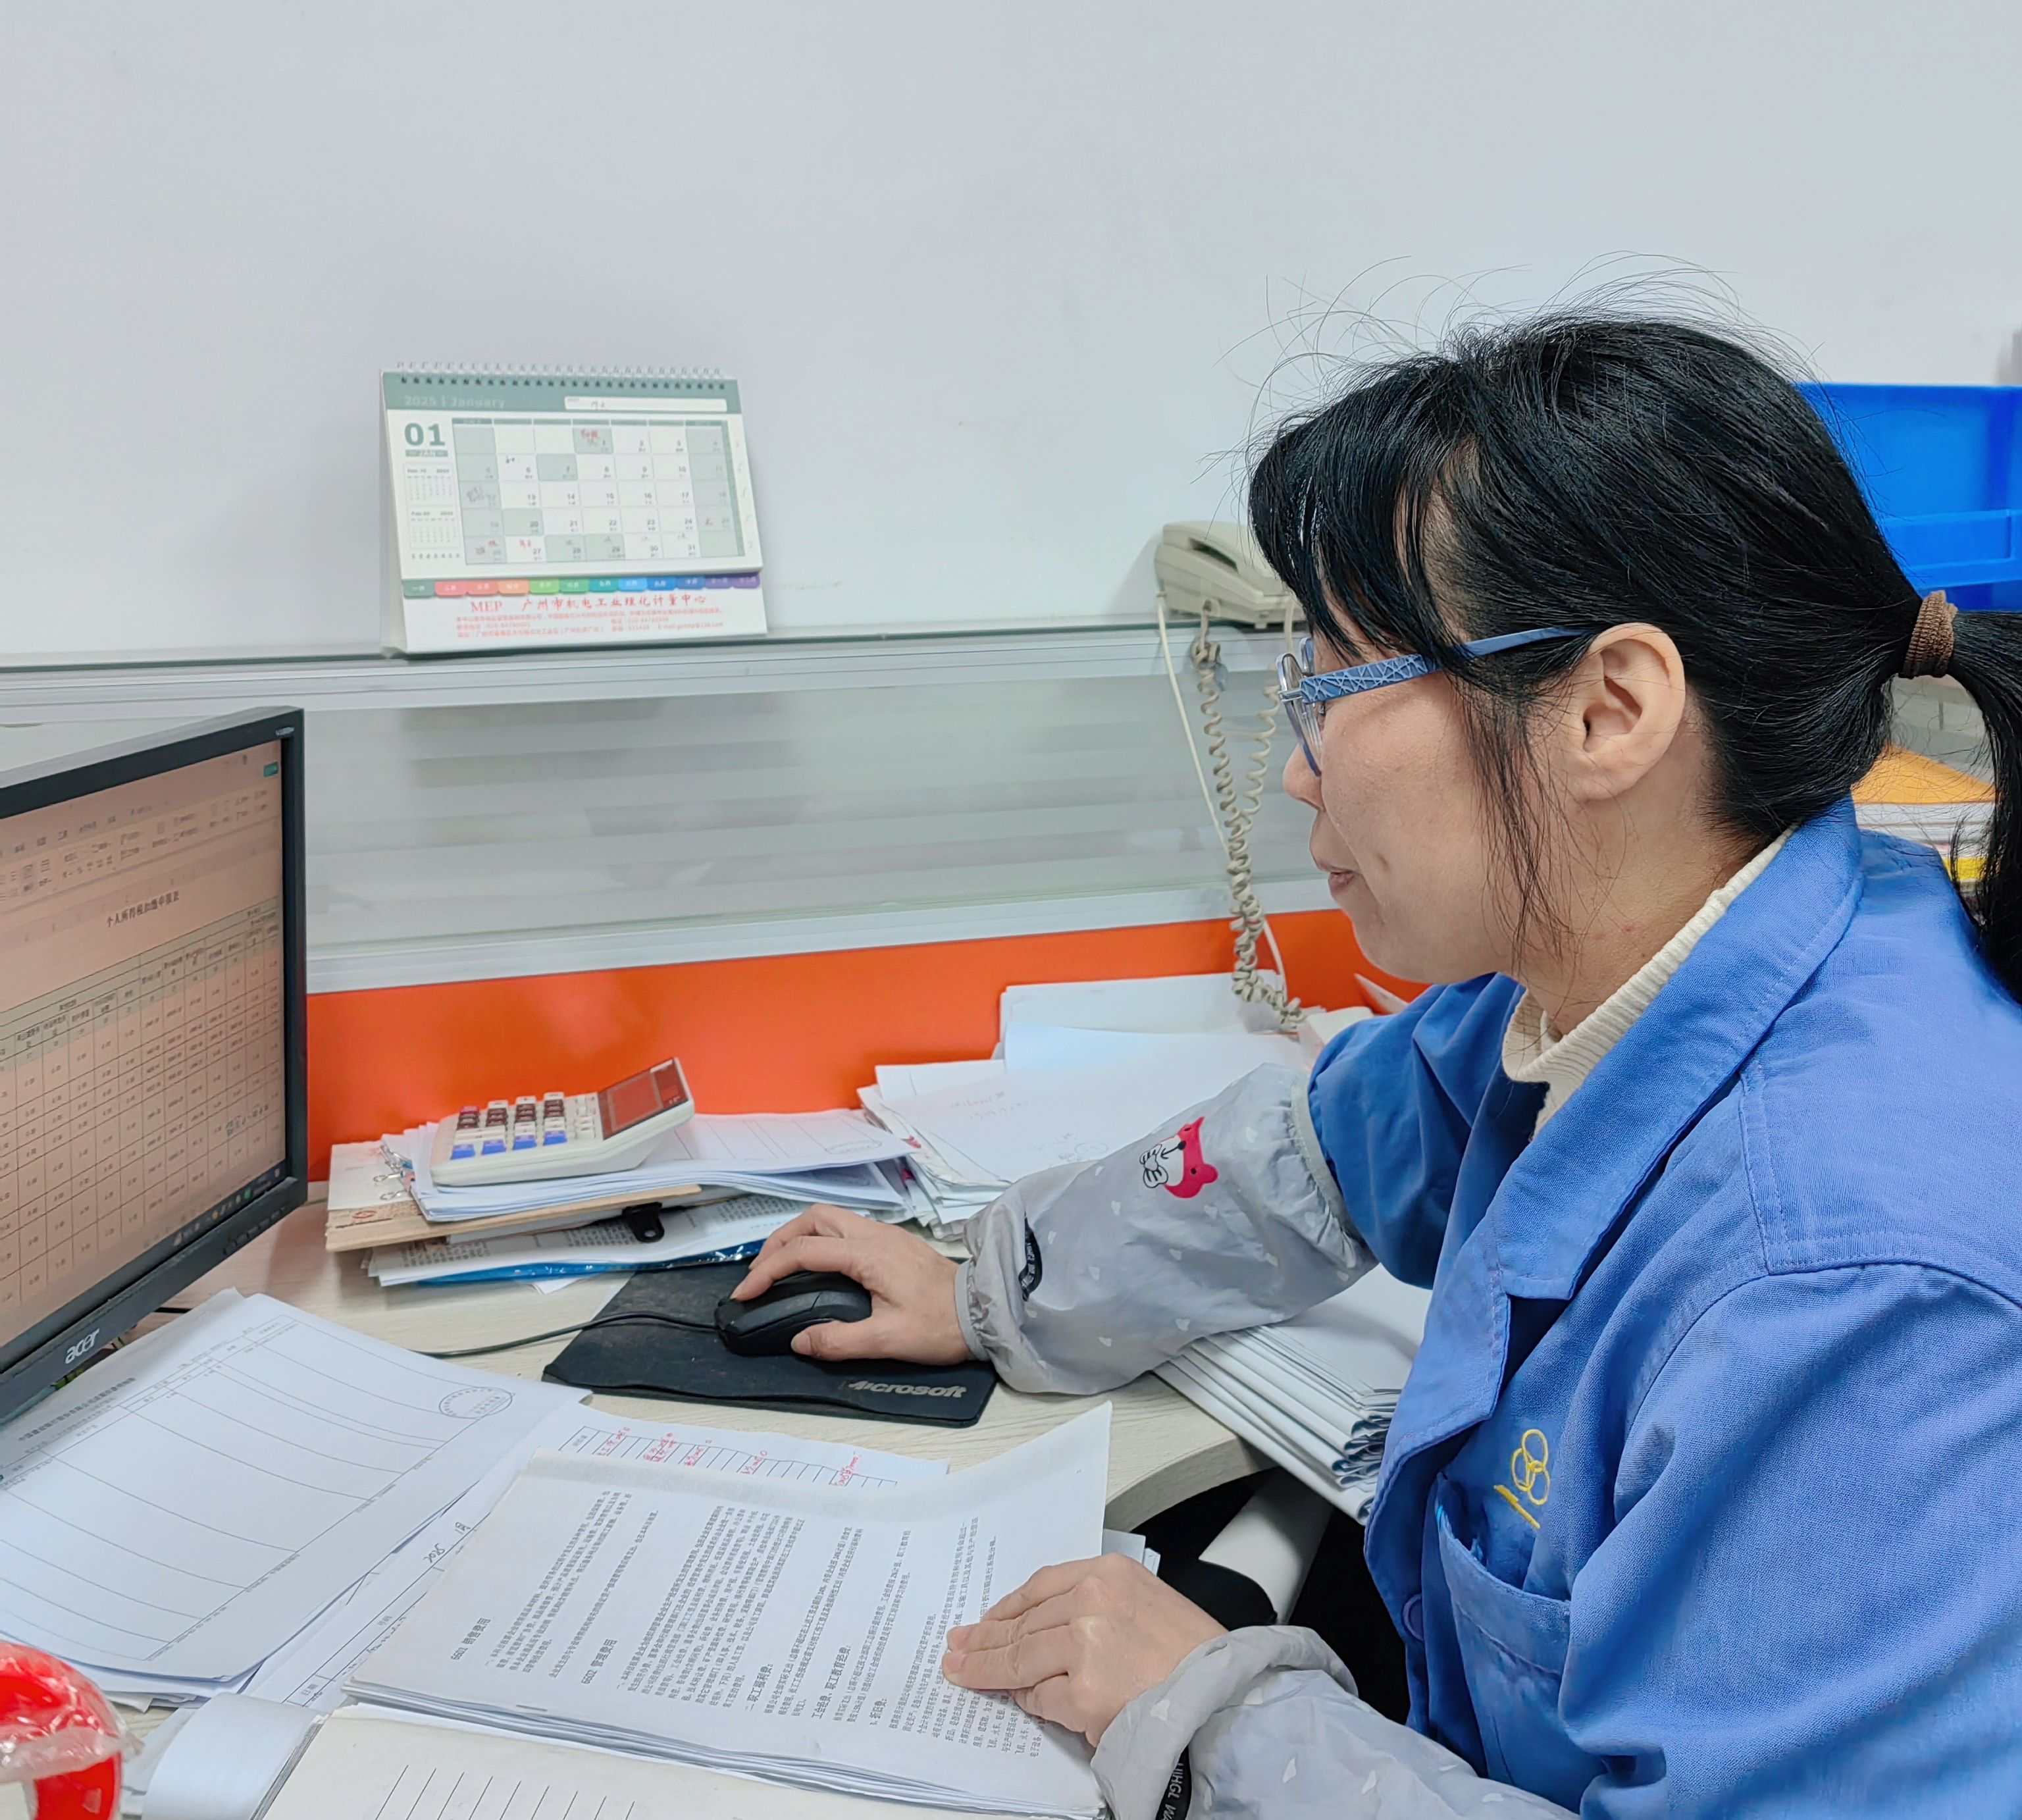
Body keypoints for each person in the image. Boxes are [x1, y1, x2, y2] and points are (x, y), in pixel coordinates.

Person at [732, 314, 2022, 1816]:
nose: (1298, 765)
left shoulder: (1852, 1297)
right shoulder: (1631, 956)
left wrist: (1217, 1718)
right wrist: (991, 1289)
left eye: (1337, 680)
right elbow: (1319, 1158)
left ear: (1609, 711)